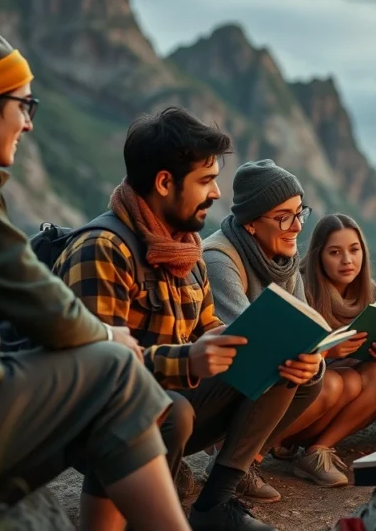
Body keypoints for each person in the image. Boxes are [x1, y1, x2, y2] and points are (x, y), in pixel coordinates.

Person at [0, 18, 192, 530]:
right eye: (24, 106)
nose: (29, 124)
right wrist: (109, 334)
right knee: (116, 372)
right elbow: (36, 298)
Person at [54, 110, 322, 531]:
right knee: (172, 411)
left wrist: (272, 347)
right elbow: (93, 369)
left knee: (284, 364)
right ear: (164, 182)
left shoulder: (186, 250)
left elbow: (208, 327)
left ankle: (215, 504)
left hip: (173, 407)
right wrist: (188, 361)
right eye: (205, 180)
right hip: (100, 421)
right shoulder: (102, 250)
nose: (217, 193)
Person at [201, 159, 325, 502]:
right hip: (201, 378)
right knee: (281, 365)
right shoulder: (219, 259)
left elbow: (305, 330)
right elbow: (247, 343)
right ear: (251, 223)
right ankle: (225, 473)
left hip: (246, 372)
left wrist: (314, 362)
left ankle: (241, 465)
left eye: (300, 213)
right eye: (284, 217)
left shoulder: (284, 260)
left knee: (308, 377)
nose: (298, 226)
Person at [267, 213, 376, 487]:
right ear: (318, 255)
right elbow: (282, 359)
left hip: (330, 404)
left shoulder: (368, 291)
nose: (347, 260)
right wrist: (329, 352)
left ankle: (316, 451)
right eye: (335, 252)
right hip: (296, 397)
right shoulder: (302, 289)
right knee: (338, 381)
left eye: (354, 250)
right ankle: (274, 439)